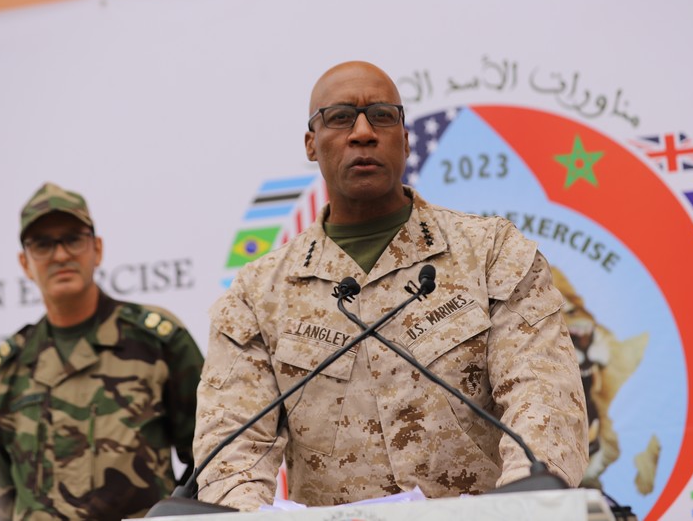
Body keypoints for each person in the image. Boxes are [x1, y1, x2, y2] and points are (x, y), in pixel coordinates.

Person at [193, 61, 589, 511]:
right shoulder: (258, 293)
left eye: (382, 116)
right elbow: (232, 456)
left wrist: (520, 509)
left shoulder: (490, 252)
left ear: (405, 138)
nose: (363, 133)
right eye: (340, 117)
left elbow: (543, 403)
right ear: (311, 143)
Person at [0, 182, 205, 520]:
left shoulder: (156, 341)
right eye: (42, 244)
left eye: (73, 239)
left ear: (96, 249)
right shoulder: (11, 366)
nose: (60, 255)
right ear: (25, 263)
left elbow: (210, 452)